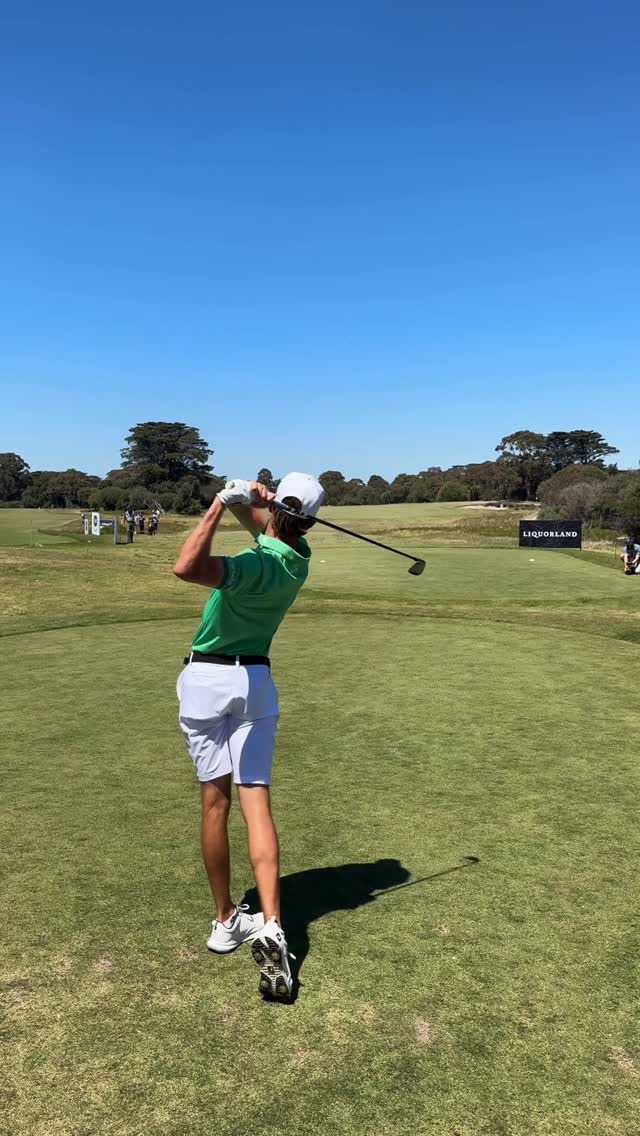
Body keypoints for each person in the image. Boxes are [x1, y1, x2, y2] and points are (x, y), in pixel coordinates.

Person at [173, 473, 324, 1002]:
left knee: (215, 803)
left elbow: (186, 567)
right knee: (255, 801)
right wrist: (251, 502)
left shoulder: (250, 563)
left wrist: (220, 504)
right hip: (255, 683)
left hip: (205, 680)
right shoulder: (297, 560)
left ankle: (224, 922)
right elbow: (272, 530)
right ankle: (272, 924)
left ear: (278, 507)